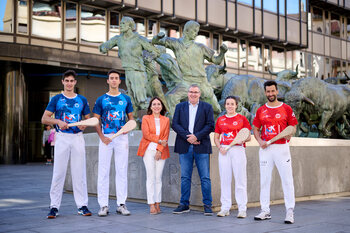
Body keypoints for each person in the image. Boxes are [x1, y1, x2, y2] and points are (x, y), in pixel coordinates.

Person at [41, 70, 92, 219]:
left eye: (72, 81)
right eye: (67, 81)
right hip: (62, 137)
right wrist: (57, 121)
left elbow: (88, 120)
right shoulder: (57, 99)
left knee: (79, 173)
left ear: (75, 82)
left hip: (77, 138)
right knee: (58, 173)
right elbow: (44, 119)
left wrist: (83, 125)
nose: (69, 83)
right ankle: (54, 207)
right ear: (62, 82)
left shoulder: (82, 99)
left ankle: (82, 205)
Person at [152, 20, 227, 116]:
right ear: (186, 31)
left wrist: (222, 53)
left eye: (197, 31)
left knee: (215, 108)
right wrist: (158, 36)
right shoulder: (176, 43)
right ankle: (177, 122)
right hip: (186, 82)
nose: (196, 34)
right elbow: (155, 41)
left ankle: (222, 122)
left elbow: (216, 61)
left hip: (202, 82)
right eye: (194, 31)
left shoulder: (201, 47)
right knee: (171, 97)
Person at [252, 80, 298, 224]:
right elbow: (255, 129)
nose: (270, 94)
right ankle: (265, 211)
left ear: (277, 91)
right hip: (265, 149)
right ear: (265, 92)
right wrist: (259, 142)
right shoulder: (261, 110)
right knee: (265, 180)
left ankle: (289, 212)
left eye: (273, 91)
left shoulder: (286, 108)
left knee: (287, 180)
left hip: (282, 148)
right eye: (268, 91)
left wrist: (289, 134)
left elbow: (293, 127)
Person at [93, 69, 134, 217]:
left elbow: (131, 119)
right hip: (106, 138)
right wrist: (102, 136)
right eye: (112, 78)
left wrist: (127, 128)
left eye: (116, 78)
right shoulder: (101, 99)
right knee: (103, 171)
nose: (114, 80)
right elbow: (95, 120)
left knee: (121, 170)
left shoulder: (126, 99)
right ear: (108, 81)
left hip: (121, 138)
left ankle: (121, 204)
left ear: (119, 81)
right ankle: (103, 205)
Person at [99, 16, 160, 112]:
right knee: (132, 100)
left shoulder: (139, 39)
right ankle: (134, 120)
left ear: (130, 26)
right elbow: (105, 46)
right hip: (128, 71)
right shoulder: (118, 39)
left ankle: (159, 112)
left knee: (141, 100)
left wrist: (149, 57)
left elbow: (155, 51)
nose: (120, 25)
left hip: (138, 71)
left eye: (123, 23)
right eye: (121, 23)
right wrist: (103, 47)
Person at [172, 84, 215, 215]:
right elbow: (175, 124)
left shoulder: (207, 107)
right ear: (188, 93)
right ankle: (184, 204)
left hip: (201, 145)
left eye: (196, 92)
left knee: (205, 177)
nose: (193, 94)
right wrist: (188, 137)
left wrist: (196, 136)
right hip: (185, 146)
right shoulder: (180, 107)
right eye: (191, 92)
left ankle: (207, 205)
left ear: (199, 94)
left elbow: (210, 125)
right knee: (185, 177)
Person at [214, 96, 251, 218]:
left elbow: (248, 137)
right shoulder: (220, 120)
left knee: (240, 180)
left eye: (232, 104)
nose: (230, 106)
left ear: (236, 105)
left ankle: (242, 209)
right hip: (224, 151)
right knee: (225, 180)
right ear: (225, 106)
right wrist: (220, 148)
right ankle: (225, 208)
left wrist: (238, 140)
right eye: (228, 104)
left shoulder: (242, 119)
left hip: (238, 150)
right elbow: (216, 138)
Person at [137, 97, 170, 214]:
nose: (156, 106)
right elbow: (146, 134)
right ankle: (151, 204)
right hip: (148, 150)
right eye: (154, 104)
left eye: (159, 104)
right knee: (150, 177)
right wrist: (159, 141)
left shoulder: (166, 120)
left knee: (158, 178)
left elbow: (166, 136)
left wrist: (160, 149)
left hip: (161, 152)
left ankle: (158, 203)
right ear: (150, 107)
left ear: (162, 107)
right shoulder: (146, 118)